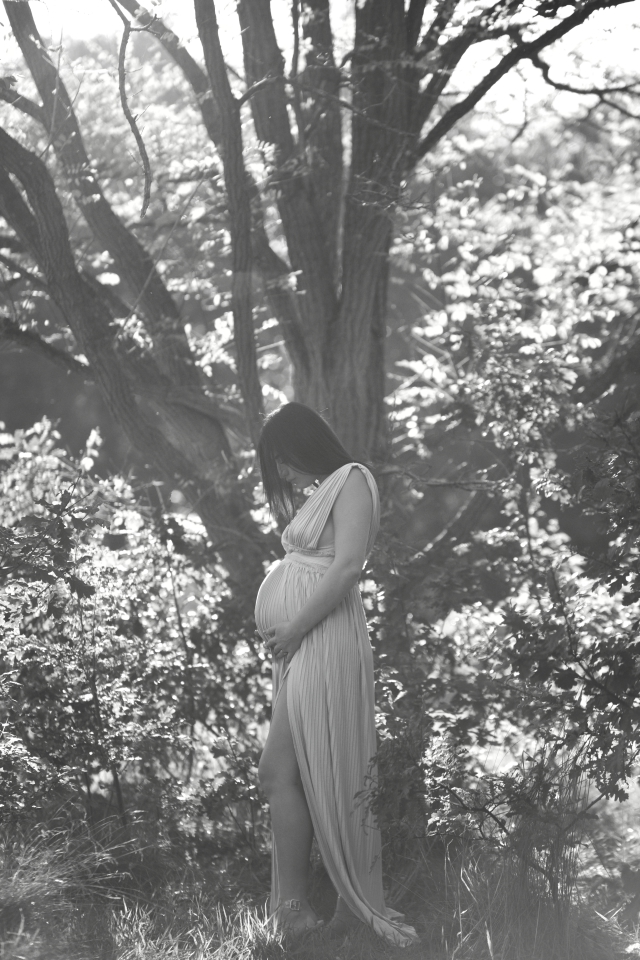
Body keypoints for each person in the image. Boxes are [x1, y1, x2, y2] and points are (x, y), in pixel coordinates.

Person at [255, 402, 417, 946]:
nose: (281, 473)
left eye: (282, 459)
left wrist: (296, 627)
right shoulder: (323, 489)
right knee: (283, 773)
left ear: (304, 443)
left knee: (302, 768)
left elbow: (348, 566)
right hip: (304, 642)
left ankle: (329, 907)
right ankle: (296, 910)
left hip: (323, 637)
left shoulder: (351, 479)